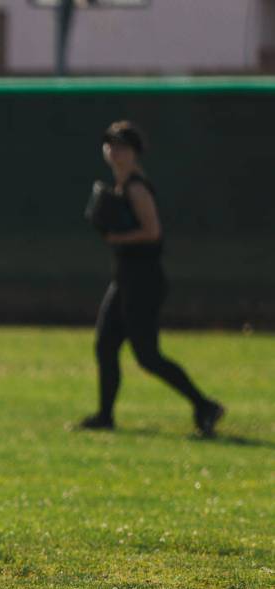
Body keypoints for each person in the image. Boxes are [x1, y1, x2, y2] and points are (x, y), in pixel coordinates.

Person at [78, 121, 224, 436]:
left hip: (144, 279)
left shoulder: (135, 187)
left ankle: (205, 405)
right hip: (125, 278)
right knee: (105, 345)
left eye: (122, 147)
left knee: (147, 356)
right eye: (110, 145)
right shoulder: (118, 185)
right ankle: (105, 416)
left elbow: (153, 231)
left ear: (134, 153)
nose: (114, 152)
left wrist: (118, 238)